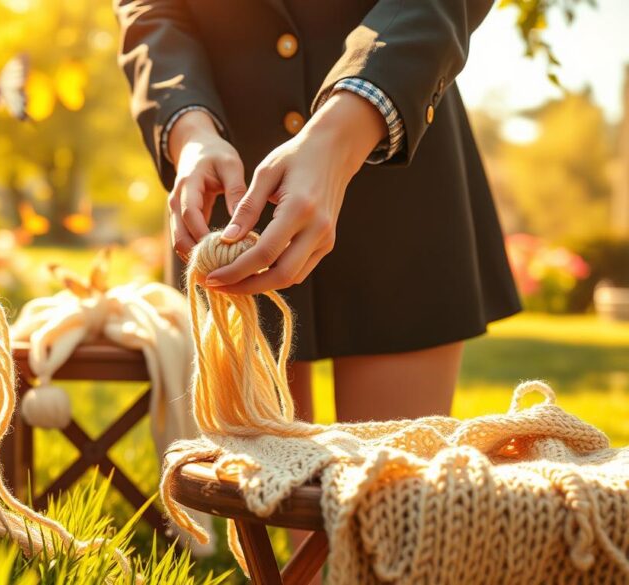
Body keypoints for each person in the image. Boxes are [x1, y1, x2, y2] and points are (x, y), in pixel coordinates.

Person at [114, 0, 521, 426]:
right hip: (223, 188)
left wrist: (344, 128)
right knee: (248, 485)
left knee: (391, 482)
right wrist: (189, 130)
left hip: (396, 170)